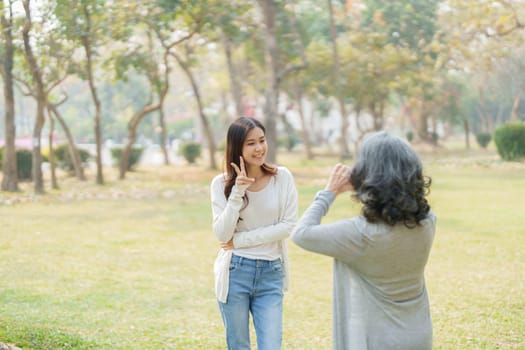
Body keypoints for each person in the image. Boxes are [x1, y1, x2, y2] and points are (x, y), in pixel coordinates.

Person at [291, 131, 436, 350]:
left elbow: (301, 234)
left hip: (379, 341)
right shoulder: (428, 223)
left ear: (367, 175)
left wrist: (329, 192)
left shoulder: (360, 235)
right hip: (420, 337)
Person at [210, 116, 298, 350]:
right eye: (250, 143)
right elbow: (221, 234)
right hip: (235, 271)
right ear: (237, 147)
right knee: (238, 345)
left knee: (271, 345)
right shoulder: (220, 185)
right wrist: (237, 192)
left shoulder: (282, 177)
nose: (259, 148)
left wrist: (239, 240)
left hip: (271, 272)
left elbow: (288, 225)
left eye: (262, 140)